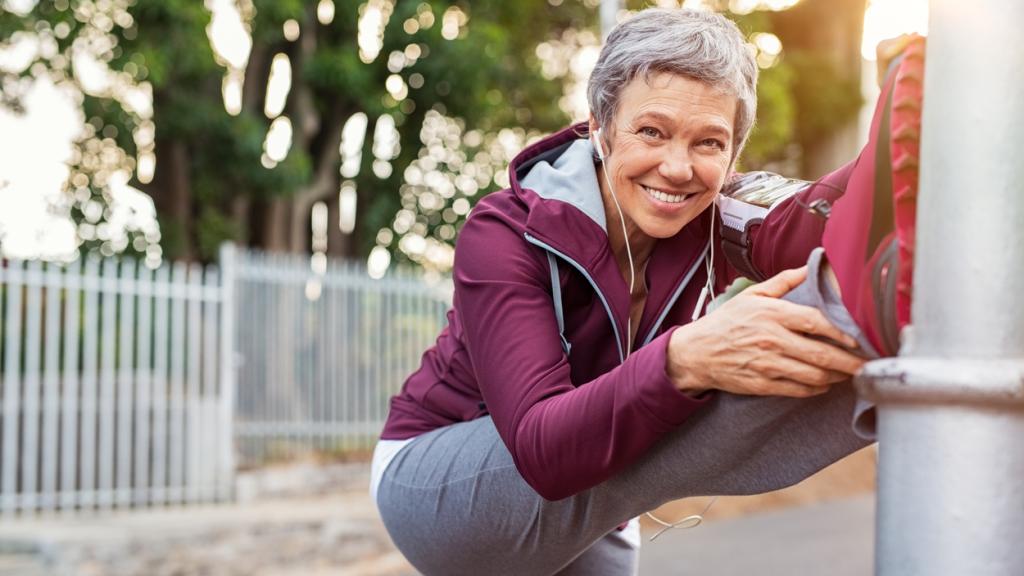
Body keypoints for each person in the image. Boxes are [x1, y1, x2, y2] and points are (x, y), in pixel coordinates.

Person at [372, 8, 922, 575]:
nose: (678, 168)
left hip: (600, 490)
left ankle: (909, 326)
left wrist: (915, 146)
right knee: (721, 362)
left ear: (733, 152)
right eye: (652, 132)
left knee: (817, 296)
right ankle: (879, 320)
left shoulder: (713, 215)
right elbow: (542, 448)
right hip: (439, 484)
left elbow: (805, 222)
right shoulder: (509, 231)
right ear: (600, 127)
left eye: (709, 142)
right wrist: (685, 359)